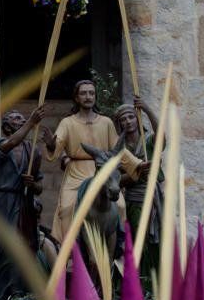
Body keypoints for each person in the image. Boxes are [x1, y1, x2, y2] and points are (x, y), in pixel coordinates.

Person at [42, 80, 143, 240]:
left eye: (91, 93)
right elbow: (58, 143)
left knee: (121, 206)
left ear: (95, 96)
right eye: (83, 93)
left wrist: (137, 164)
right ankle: (71, 249)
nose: (88, 96)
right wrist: (51, 144)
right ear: (76, 98)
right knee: (67, 207)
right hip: (76, 172)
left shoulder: (106, 122)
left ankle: (118, 248)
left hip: (103, 172)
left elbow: (119, 150)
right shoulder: (67, 122)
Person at [0, 107, 46, 300]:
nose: (21, 120)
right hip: (1, 201)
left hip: (22, 201)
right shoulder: (1, 144)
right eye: (16, 118)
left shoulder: (33, 151)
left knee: (20, 245)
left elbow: (40, 187)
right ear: (6, 126)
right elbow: (13, 142)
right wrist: (31, 121)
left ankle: (18, 291)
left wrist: (32, 184)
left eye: (23, 118)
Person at [112, 96, 161, 278]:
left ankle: (155, 277)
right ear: (119, 124)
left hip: (154, 196)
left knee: (157, 237)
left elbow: (161, 135)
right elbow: (117, 180)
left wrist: (147, 109)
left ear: (137, 118)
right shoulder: (119, 148)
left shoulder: (148, 140)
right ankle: (140, 277)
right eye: (123, 119)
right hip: (134, 198)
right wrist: (137, 172)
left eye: (131, 117)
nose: (128, 121)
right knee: (139, 233)